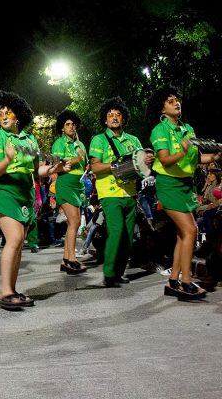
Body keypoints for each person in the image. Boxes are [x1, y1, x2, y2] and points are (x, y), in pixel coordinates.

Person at [0, 91, 69, 310]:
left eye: (8, 112)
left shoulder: (30, 138)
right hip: (4, 190)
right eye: (0, 113)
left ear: (18, 115)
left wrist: (54, 168)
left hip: (24, 192)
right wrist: (7, 158)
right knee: (14, 238)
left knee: (20, 241)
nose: (3, 116)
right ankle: (5, 292)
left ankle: (12, 290)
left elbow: (36, 170)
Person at [147, 86, 220, 300]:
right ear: (162, 107)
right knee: (191, 230)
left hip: (186, 185)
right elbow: (165, 159)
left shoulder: (187, 128)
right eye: (170, 101)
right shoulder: (159, 130)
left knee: (183, 233)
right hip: (169, 184)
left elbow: (196, 160)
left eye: (177, 99)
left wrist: (214, 157)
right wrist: (184, 149)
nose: (176, 103)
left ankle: (173, 281)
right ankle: (186, 282)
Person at [88, 96, 154, 288]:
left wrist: (148, 159)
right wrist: (116, 165)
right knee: (116, 231)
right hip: (109, 193)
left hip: (131, 193)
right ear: (105, 120)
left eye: (118, 114)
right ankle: (109, 273)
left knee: (128, 237)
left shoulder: (133, 140)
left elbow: (142, 163)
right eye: (110, 115)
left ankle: (119, 272)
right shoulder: (99, 139)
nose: (114, 117)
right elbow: (95, 167)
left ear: (123, 118)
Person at [51, 110, 88, 274]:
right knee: (75, 222)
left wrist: (86, 165)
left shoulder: (80, 145)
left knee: (73, 223)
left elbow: (85, 163)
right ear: (62, 128)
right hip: (65, 183)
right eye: (67, 124)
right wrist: (78, 159)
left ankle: (67, 259)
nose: (71, 127)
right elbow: (58, 164)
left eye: (73, 124)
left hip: (79, 185)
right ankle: (72, 259)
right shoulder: (59, 143)